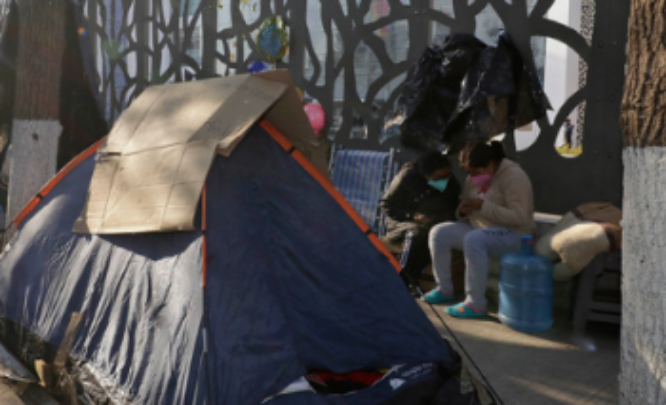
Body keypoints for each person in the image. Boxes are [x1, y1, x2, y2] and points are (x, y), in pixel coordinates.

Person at [422, 141, 535, 318]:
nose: (473, 177)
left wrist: (482, 206)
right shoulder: (472, 179)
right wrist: (463, 210)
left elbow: (519, 217)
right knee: (439, 233)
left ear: (490, 164)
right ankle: (444, 289)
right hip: (481, 228)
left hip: (514, 235)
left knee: (474, 239)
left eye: (476, 171)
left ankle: (476, 303)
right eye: (469, 172)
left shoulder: (514, 176)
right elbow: (468, 208)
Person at [380, 151, 461, 287]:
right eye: (438, 177)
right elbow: (387, 206)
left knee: (434, 233)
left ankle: (414, 278)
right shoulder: (407, 177)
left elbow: (453, 206)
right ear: (425, 175)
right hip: (402, 221)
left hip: (433, 222)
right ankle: (402, 280)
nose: (444, 179)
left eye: (447, 175)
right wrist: (413, 216)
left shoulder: (449, 181)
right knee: (417, 233)